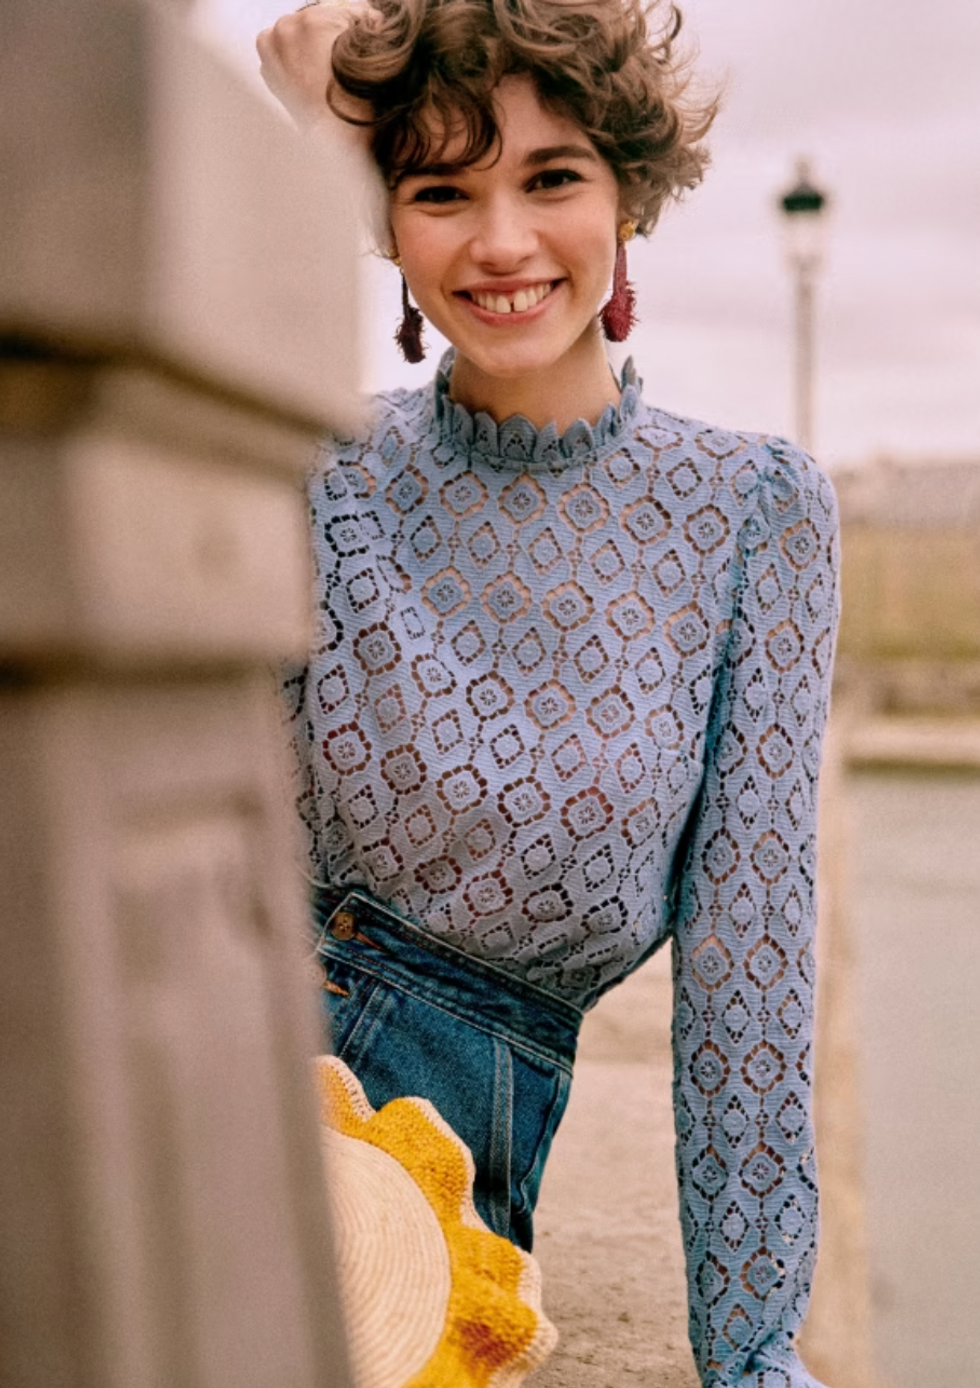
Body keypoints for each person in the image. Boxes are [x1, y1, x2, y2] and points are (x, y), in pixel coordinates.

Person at [258, 1, 840, 1383]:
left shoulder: (752, 514)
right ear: (383, 224)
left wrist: (750, 1352)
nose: (502, 242)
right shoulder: (316, 463)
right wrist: (313, 151)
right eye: (439, 191)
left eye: (552, 177)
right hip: (194, 1098)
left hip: (416, 1231)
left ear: (630, 191)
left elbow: (750, 966)